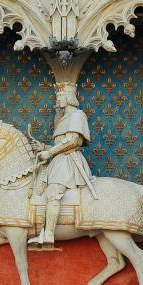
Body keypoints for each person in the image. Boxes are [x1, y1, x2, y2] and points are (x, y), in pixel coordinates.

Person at [28, 82, 95, 247]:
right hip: (59, 160)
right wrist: (44, 148)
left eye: (61, 96)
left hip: (69, 161)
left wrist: (49, 153)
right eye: (57, 97)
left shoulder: (78, 115)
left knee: (53, 193)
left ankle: (49, 235)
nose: (58, 100)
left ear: (70, 98)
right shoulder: (63, 119)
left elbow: (73, 141)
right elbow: (59, 144)